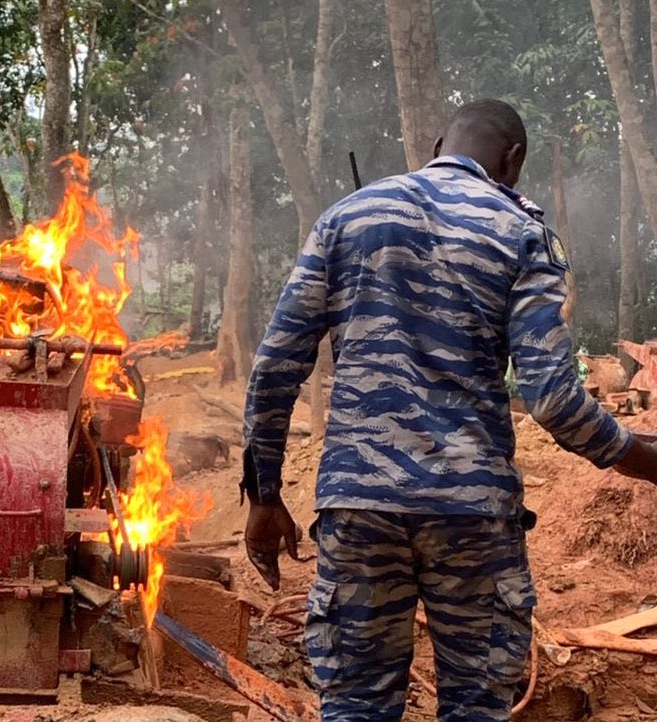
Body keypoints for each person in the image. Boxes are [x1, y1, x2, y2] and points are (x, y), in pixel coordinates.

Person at [240, 98, 657, 722]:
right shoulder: (521, 232)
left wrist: (264, 495)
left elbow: (274, 369)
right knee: (475, 707)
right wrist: (638, 457)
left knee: (354, 705)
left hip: (359, 504)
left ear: (437, 145)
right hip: (471, 512)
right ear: (511, 160)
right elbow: (551, 396)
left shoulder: (346, 218)